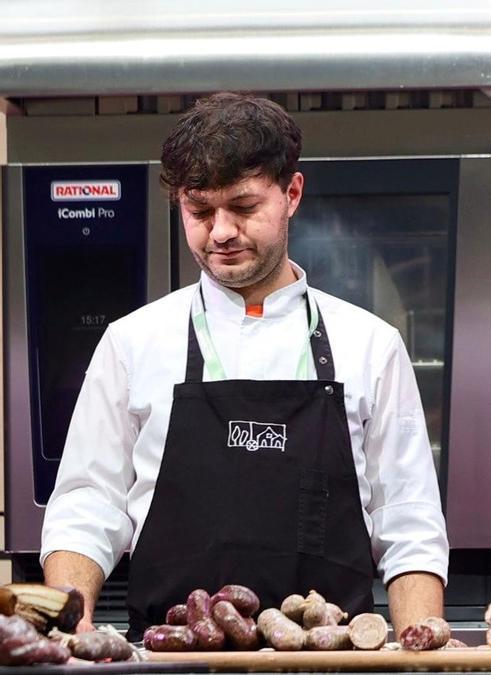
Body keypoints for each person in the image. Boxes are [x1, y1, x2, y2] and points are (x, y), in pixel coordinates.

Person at [40, 93, 449, 637]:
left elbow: (409, 520)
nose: (221, 232)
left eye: (244, 207)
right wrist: (70, 627)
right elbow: (88, 504)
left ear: (292, 194)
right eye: (200, 211)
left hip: (328, 666)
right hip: (172, 662)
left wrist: (425, 649)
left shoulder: (370, 346)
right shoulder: (132, 343)